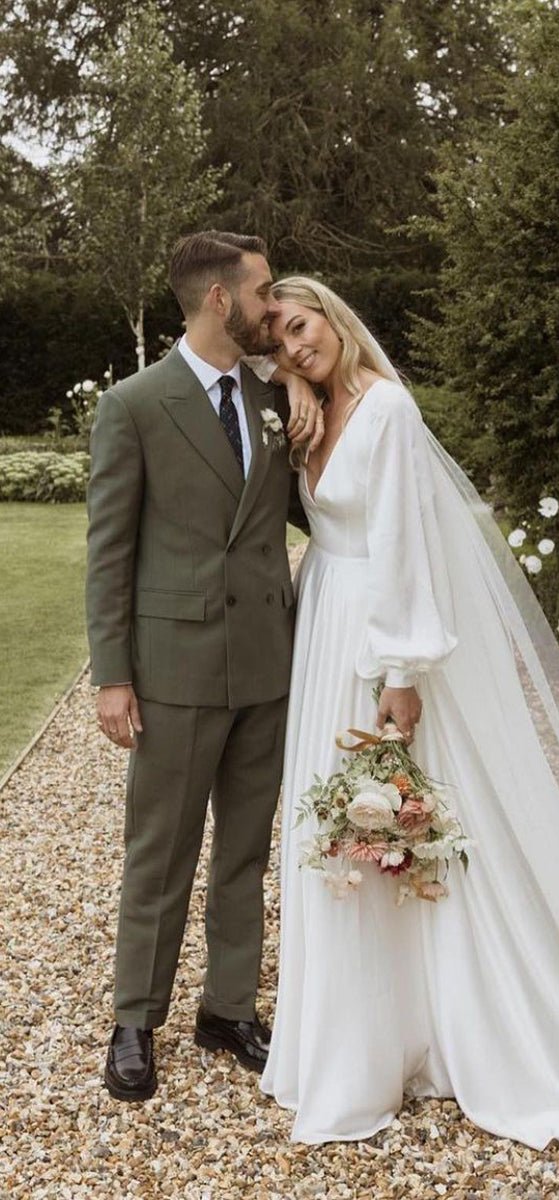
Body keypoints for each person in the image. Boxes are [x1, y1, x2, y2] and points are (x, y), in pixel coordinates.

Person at [259, 276, 559, 1149]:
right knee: (339, 831)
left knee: (407, 820)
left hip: (377, 633)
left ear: (333, 319)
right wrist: (294, 382)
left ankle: (455, 1021)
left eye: (303, 328)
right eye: (282, 342)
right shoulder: (312, 406)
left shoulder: (387, 411)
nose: (297, 346)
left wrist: (402, 671)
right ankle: (365, 1033)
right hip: (326, 626)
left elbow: (406, 545)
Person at [86, 231, 322, 1102]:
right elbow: (109, 552)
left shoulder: (273, 396)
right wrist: (113, 676)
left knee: (246, 852)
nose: (274, 306)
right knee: (160, 852)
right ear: (221, 299)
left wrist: (304, 389)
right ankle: (134, 1019)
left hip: (266, 662)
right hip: (174, 667)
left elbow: (316, 509)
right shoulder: (134, 405)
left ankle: (228, 1010)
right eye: (263, 291)